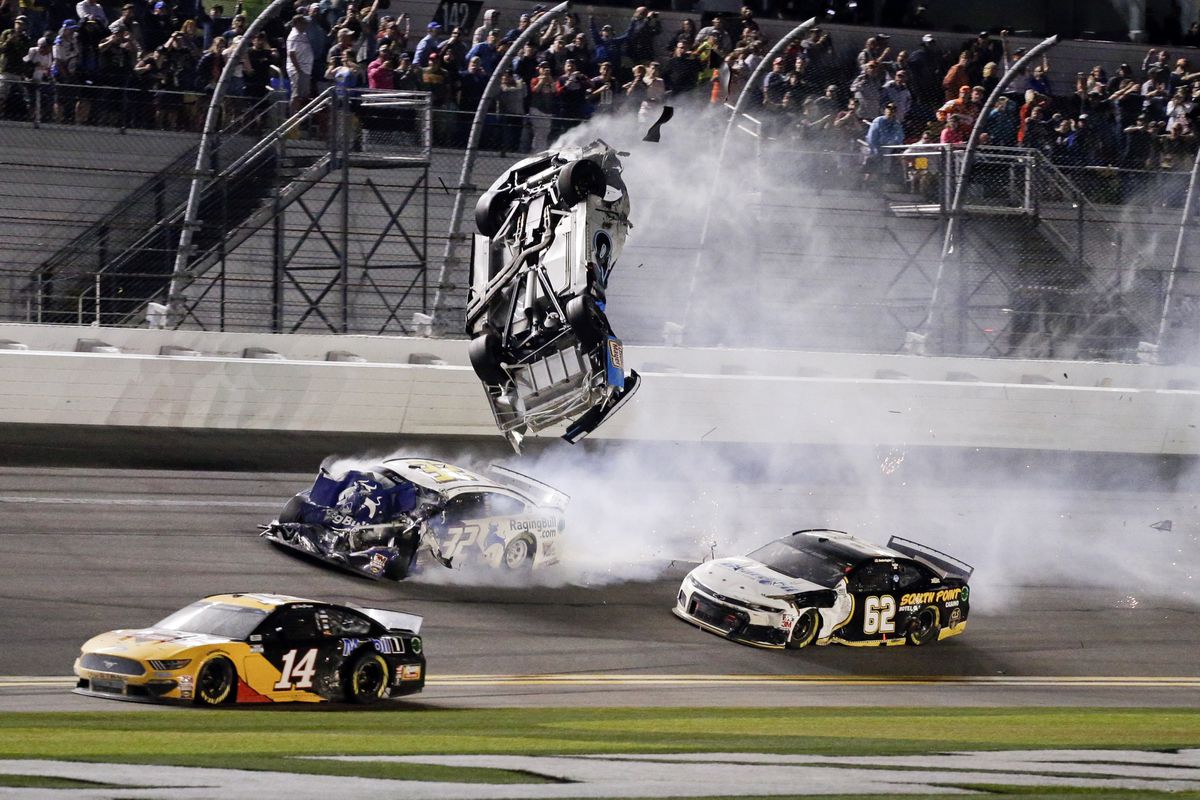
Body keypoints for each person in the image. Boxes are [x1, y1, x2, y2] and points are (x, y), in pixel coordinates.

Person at [285, 14, 313, 113]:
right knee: (296, 95)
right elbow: (291, 54)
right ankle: (292, 118)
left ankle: (300, 117)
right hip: (298, 70)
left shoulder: (303, 34)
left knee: (304, 95)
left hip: (305, 69)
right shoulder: (294, 36)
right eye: (303, 23)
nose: (305, 25)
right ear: (297, 23)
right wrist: (298, 70)